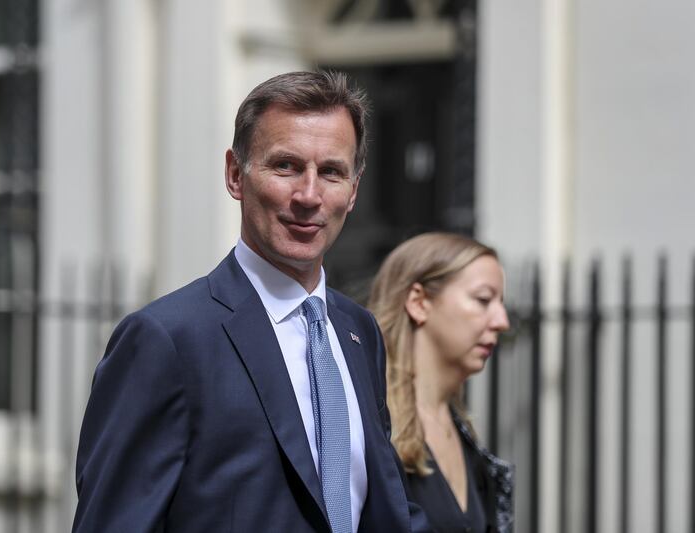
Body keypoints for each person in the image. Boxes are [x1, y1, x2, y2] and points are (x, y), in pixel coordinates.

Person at [73, 71, 429, 532]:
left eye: (331, 172)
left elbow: (385, 511)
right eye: (285, 166)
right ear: (235, 175)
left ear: (354, 190)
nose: (309, 195)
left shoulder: (358, 331)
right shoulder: (167, 340)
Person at [367, 233, 514, 533]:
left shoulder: (462, 431)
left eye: (500, 303)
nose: (502, 320)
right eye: (483, 300)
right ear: (419, 302)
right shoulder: (372, 422)